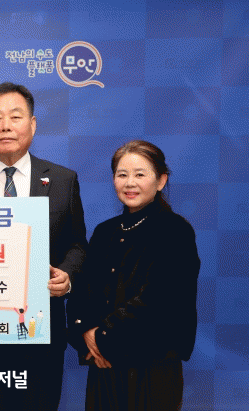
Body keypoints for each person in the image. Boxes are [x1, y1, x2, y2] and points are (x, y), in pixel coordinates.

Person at [0, 82, 87, 411]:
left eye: (16, 117)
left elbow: (77, 244)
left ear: (32, 124)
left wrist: (67, 275)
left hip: (42, 331)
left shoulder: (62, 180)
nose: (6, 126)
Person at [67, 140, 200, 410]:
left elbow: (159, 298)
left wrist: (102, 336)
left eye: (140, 174)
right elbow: (82, 289)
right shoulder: (104, 232)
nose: (130, 183)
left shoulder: (175, 230)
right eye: (122, 175)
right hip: (104, 365)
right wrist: (86, 331)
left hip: (152, 367)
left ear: (161, 181)